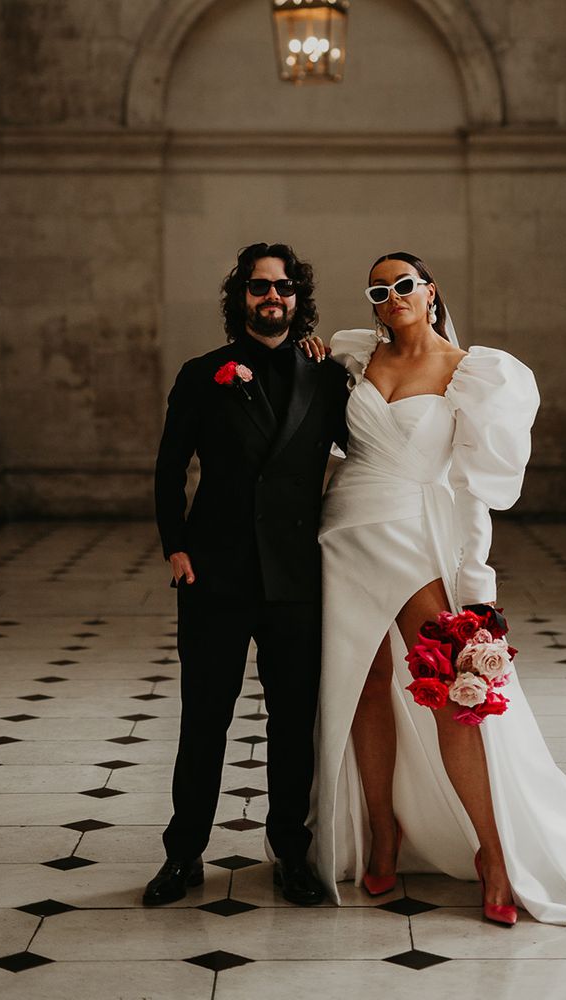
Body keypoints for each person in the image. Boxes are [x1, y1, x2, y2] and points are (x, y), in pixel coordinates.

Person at [311, 251, 566, 925]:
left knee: (451, 688)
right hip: (343, 530)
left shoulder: (475, 373)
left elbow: (472, 491)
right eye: (380, 288)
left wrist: (477, 586)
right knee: (365, 684)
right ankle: (382, 833)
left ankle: (493, 850)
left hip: (414, 533)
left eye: (405, 284)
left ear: (430, 292)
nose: (393, 295)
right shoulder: (350, 360)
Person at [146, 242, 349, 907]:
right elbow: (170, 465)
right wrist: (175, 545)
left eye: (284, 287)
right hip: (216, 573)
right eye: (260, 287)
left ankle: (291, 852)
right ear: (241, 297)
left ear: (298, 298)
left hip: (297, 576)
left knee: (293, 722)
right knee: (204, 718)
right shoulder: (204, 373)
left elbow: (367, 450)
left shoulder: (327, 377)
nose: (273, 297)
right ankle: (183, 856)